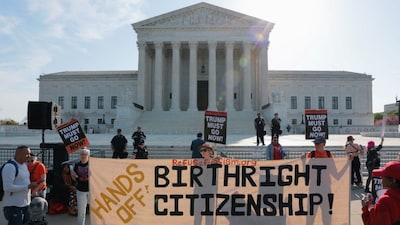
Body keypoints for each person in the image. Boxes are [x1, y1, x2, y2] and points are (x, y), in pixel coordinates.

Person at [2, 145, 37, 225]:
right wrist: (27, 186)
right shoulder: (10, 167)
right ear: (18, 154)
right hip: (13, 206)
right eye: (27, 154)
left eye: (29, 154)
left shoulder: (24, 165)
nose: (29, 156)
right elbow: (7, 188)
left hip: (25, 204)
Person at [361, 161, 400, 225]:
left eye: (383, 176)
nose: (381, 178)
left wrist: (365, 208)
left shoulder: (385, 201)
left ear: (393, 180)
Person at [74, 148, 90, 225]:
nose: (83, 156)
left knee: (95, 210)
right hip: (81, 190)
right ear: (80, 155)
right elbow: (75, 177)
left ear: (88, 156)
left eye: (85, 154)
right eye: (82, 154)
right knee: (81, 211)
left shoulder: (92, 164)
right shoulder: (77, 165)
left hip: (91, 190)